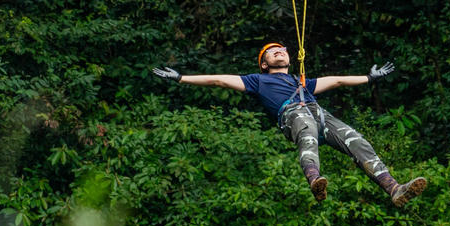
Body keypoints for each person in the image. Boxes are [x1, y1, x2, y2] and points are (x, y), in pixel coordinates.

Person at [152, 43, 428, 206]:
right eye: (272, 52)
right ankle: (314, 180)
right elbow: (218, 79)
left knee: (358, 141)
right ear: (264, 63)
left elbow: (337, 80)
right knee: (306, 131)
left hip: (319, 114)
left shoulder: (301, 81)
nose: (279, 52)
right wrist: (181, 78)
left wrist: (368, 78)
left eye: (282, 49)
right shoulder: (257, 81)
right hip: (293, 115)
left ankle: (394, 188)